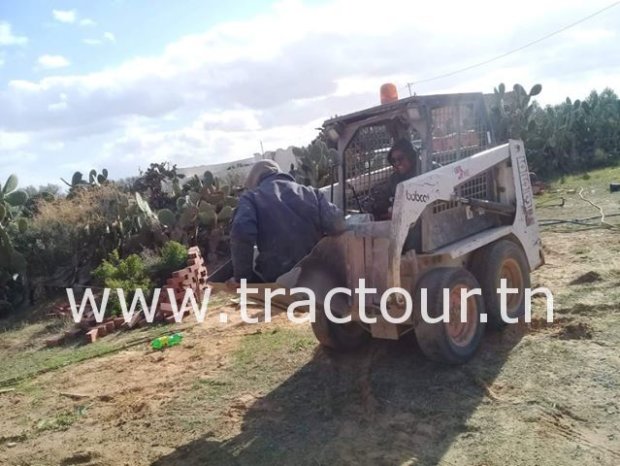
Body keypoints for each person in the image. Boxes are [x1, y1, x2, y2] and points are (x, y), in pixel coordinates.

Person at [229, 160, 344, 284]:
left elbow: (241, 233)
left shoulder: (251, 198)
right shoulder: (311, 193)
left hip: (276, 281)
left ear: (255, 180)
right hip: (316, 278)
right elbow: (337, 224)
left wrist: (243, 279)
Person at [367, 138, 419, 219]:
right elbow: (385, 198)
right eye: (394, 160)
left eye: (400, 158)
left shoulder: (428, 170)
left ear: (411, 156)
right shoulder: (394, 179)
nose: (397, 163)